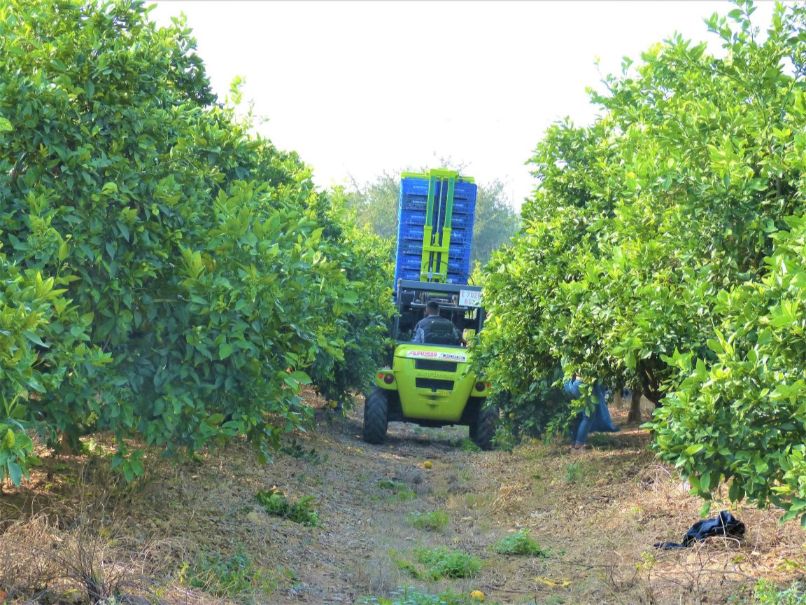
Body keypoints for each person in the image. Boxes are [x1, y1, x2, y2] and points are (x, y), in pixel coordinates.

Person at [563, 376, 618, 450]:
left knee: (578, 414)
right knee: (588, 416)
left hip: (569, 383)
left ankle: (574, 443)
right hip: (581, 383)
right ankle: (579, 446)